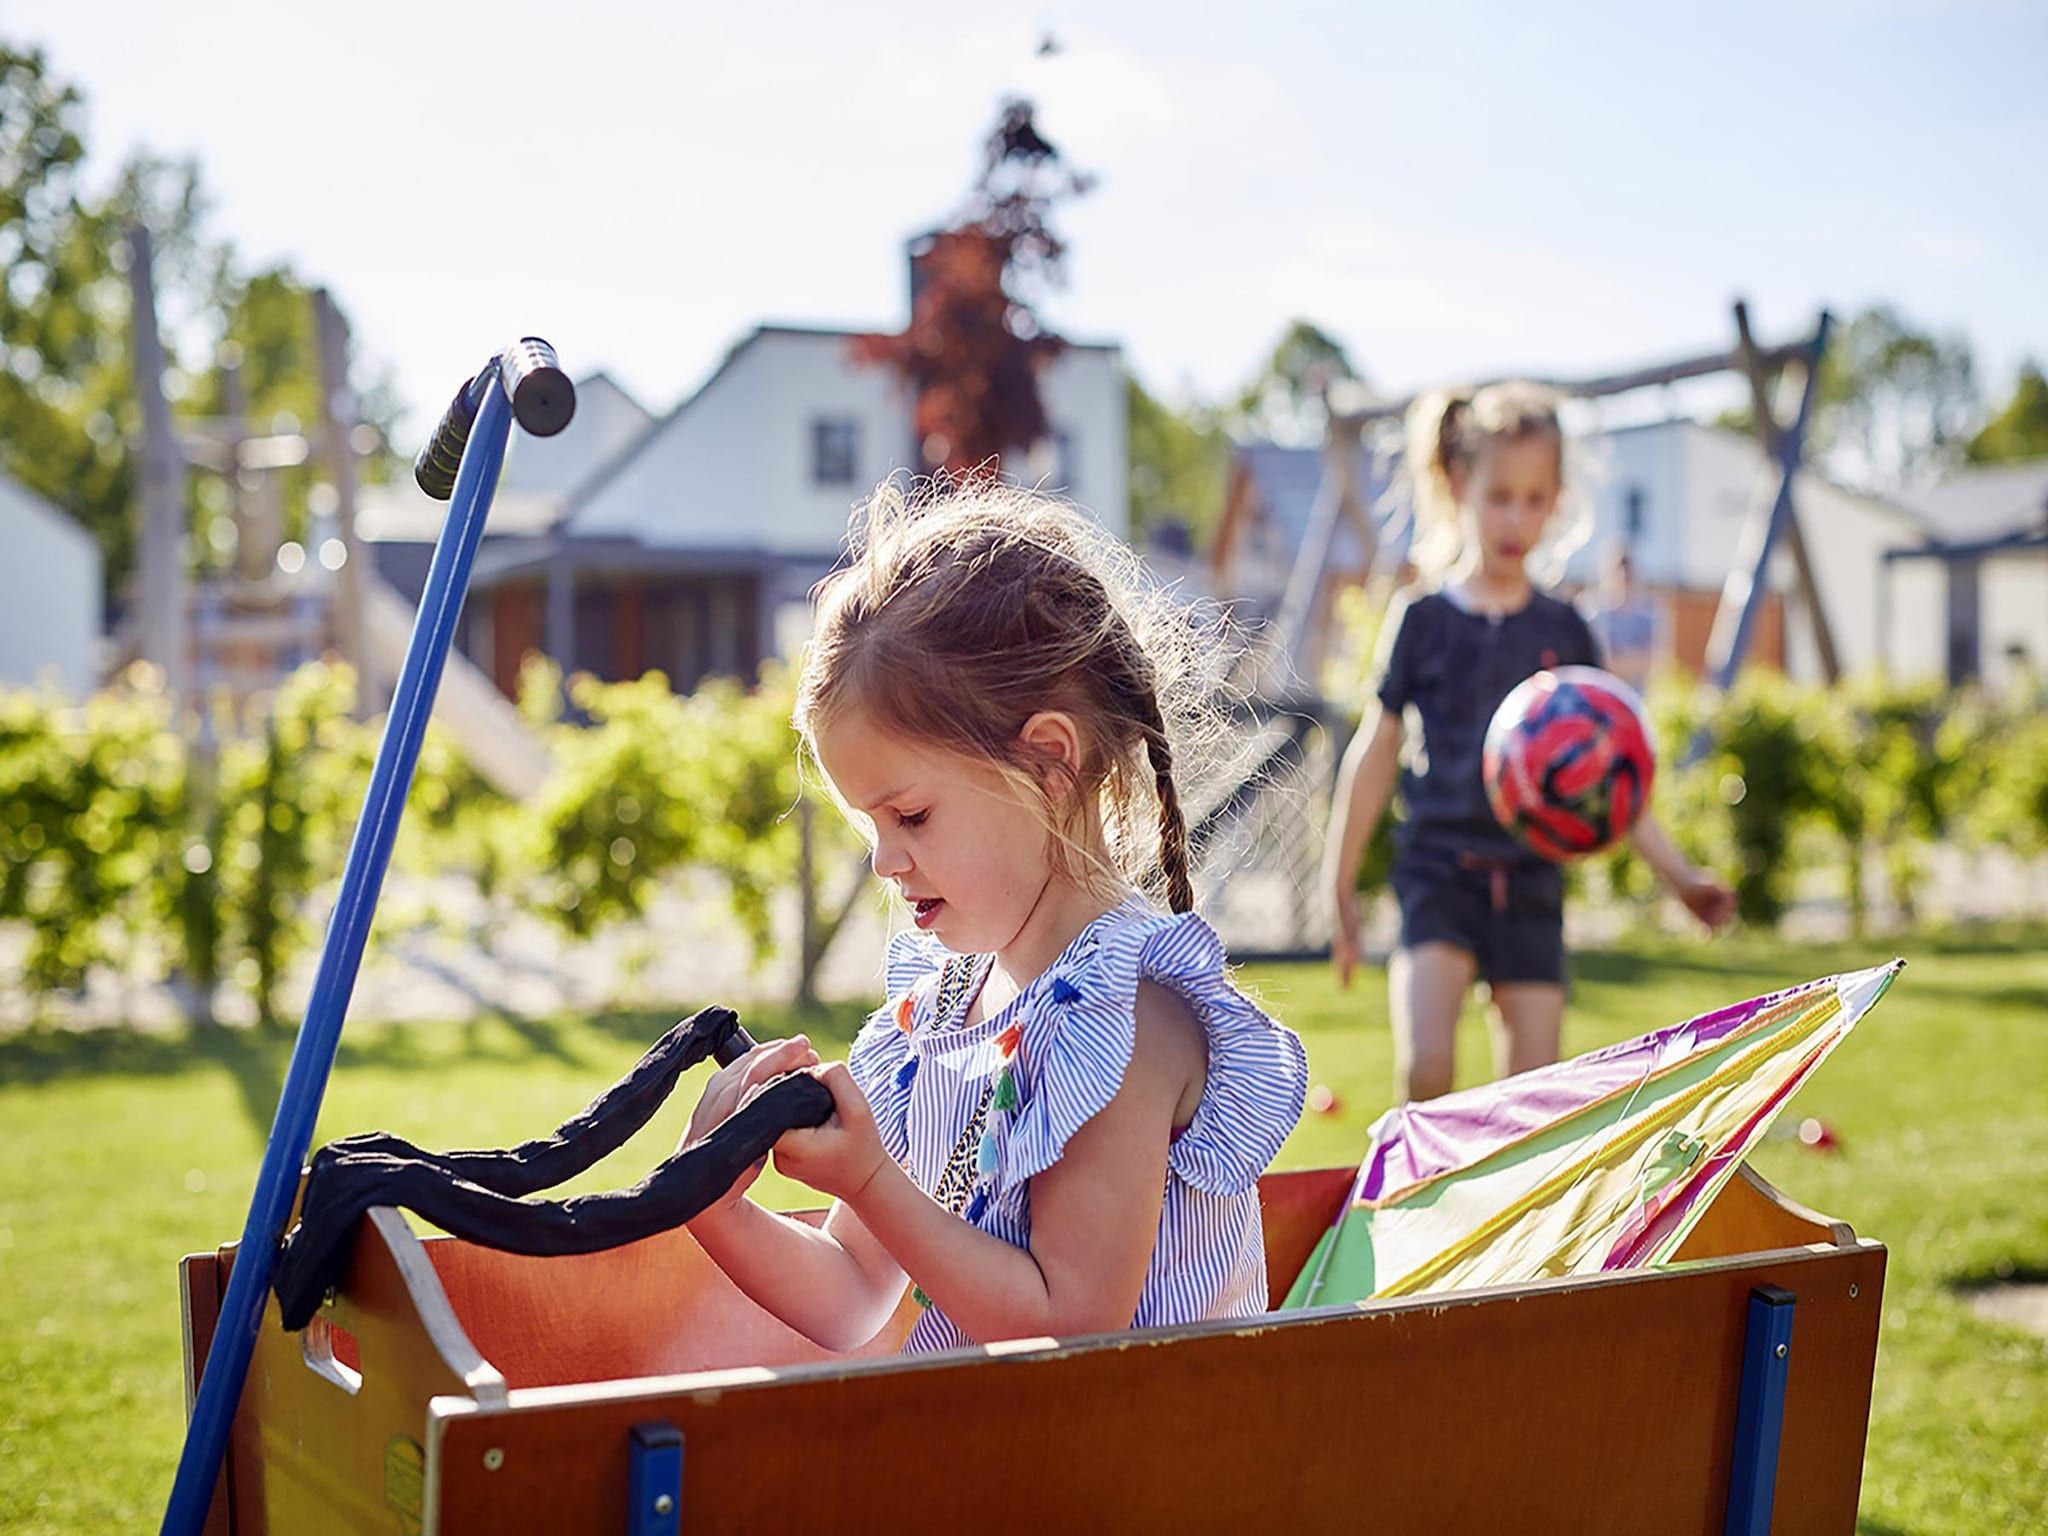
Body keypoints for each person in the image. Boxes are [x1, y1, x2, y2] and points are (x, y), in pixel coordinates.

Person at [681, 481, 1308, 1353]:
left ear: (1048, 763)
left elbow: (1070, 1320)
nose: (883, 860)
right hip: (1011, 1463)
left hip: (1158, 1470)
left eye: (912, 815)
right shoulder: (941, 1015)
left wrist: (871, 1181)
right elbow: (854, 1293)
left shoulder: (1124, 1020)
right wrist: (708, 1202)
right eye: (869, 825)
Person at [1324, 384, 1734, 1105]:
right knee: (1427, 1072)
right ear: (1460, 488)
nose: (1517, 518)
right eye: (1500, 496)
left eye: (1535, 499)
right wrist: (1340, 882)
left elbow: (1609, 780)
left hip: (1532, 885)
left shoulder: (1566, 633)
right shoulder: (1421, 620)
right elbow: (1375, 752)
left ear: (1557, 502)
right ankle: (1413, 1217)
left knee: (1532, 1104)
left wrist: (1681, 878)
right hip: (1439, 875)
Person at [1586, 541, 1662, 696]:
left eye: (1628, 574)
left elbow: (1655, 662)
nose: (1624, 579)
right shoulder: (1595, 613)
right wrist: (1633, 659)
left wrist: (1621, 659)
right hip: (1603, 698)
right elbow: (1602, 662)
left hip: (1638, 699)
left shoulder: (1650, 614)